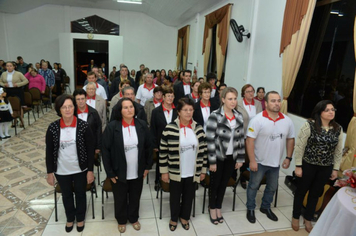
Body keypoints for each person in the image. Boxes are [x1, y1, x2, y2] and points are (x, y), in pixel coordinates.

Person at [102, 97, 152, 233]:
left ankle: (134, 218)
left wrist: (147, 166)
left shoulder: (141, 125)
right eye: (125, 107)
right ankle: (121, 220)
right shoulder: (112, 127)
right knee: (120, 197)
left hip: (138, 170)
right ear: (120, 110)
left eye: (131, 106)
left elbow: (149, 147)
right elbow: (105, 151)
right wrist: (110, 172)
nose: (129, 110)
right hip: (119, 171)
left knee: (135, 195)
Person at [46, 94, 94, 233]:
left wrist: (90, 170)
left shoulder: (83, 126)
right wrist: (50, 172)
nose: (67, 110)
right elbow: (49, 151)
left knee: (80, 193)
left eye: (70, 106)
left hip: (80, 168)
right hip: (61, 170)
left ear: (74, 108)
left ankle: (80, 218)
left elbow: (90, 150)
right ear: (59, 109)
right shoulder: (53, 128)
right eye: (64, 107)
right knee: (66, 195)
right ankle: (69, 217)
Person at [291, 100, 342, 233]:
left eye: (333, 109)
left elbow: (338, 151)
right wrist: (298, 166)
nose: (331, 112)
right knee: (301, 191)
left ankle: (308, 218)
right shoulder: (310, 125)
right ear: (320, 113)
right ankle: (295, 216)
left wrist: (335, 168)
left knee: (315, 194)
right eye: (328, 110)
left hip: (325, 168)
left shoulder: (338, 128)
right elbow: (300, 147)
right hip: (308, 165)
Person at [245, 91, 295, 224]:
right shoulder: (257, 120)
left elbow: (290, 139)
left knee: (272, 187)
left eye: (278, 100)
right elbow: (249, 141)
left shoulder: (287, 120)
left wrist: (288, 157)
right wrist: (252, 160)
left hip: (275, 163)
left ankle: (265, 207)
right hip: (259, 161)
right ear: (266, 103)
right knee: (253, 186)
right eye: (273, 101)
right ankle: (250, 208)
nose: (277, 103)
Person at [159, 97, 207, 231]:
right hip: (175, 171)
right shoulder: (170, 128)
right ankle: (174, 218)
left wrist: (203, 170)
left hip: (192, 171)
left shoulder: (198, 128)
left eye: (191, 110)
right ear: (178, 112)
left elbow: (203, 151)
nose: (188, 112)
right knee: (174, 196)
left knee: (189, 196)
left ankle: (185, 217)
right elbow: (163, 152)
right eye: (185, 110)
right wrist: (164, 171)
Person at [205, 87, 245, 224]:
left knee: (224, 184)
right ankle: (212, 207)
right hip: (217, 156)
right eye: (230, 99)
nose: (233, 101)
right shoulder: (215, 116)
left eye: (235, 98)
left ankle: (218, 207)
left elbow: (240, 139)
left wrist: (240, 158)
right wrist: (212, 161)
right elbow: (209, 140)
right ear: (223, 100)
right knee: (214, 184)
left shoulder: (239, 116)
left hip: (231, 157)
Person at [150, 88, 177, 190]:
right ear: (163, 97)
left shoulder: (178, 110)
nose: (170, 98)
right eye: (168, 96)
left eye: (172, 96)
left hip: (175, 142)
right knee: (160, 163)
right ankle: (158, 181)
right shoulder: (156, 112)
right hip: (160, 142)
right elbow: (152, 129)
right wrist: (154, 145)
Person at [238, 84, 263, 189]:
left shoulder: (258, 104)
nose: (251, 93)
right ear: (244, 93)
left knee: (253, 157)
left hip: (255, 136)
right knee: (244, 158)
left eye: (252, 91)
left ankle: (253, 177)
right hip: (243, 135)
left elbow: (261, 118)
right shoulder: (239, 103)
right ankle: (242, 177)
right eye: (248, 91)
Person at [73, 89, 102, 155]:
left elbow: (98, 129)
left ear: (86, 99)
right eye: (78, 99)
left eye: (82, 99)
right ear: (75, 100)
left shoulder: (93, 112)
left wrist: (98, 146)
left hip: (91, 144)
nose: (81, 101)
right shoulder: (72, 113)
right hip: (75, 145)